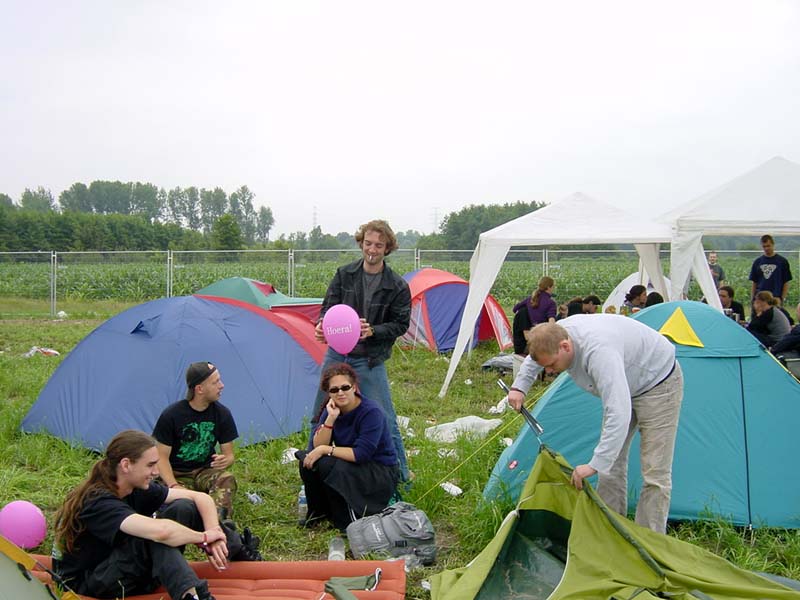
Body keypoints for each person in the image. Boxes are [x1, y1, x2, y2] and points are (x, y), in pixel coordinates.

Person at [507, 317, 684, 534]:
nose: (551, 371)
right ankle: (609, 529)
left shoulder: (599, 353)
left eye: (552, 365)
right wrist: (519, 387)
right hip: (627, 379)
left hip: (658, 384)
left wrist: (594, 465)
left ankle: (650, 540)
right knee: (611, 464)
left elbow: (618, 411)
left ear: (566, 346)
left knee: (655, 472)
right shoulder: (553, 335)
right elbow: (538, 355)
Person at [53, 430, 228, 600]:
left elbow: (200, 497)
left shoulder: (133, 486)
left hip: (120, 568)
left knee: (184, 507)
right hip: (89, 583)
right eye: (150, 465)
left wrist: (214, 533)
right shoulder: (97, 501)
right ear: (126, 465)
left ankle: (239, 548)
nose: (156, 472)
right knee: (152, 535)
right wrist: (203, 537)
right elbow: (162, 532)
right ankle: (194, 595)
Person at [312, 219, 411, 481]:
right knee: (320, 412)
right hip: (337, 355)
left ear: (387, 248)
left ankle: (399, 476)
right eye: (368, 243)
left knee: (385, 418)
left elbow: (401, 324)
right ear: (361, 243)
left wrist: (374, 331)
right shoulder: (344, 274)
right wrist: (321, 325)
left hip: (369, 359)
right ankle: (312, 470)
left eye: (379, 245)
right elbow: (327, 309)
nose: (372, 249)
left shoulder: (397, 285)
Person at [297, 363, 399, 532]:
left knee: (329, 464)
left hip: (379, 471)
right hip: (354, 465)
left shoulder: (371, 412)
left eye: (345, 387)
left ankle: (346, 520)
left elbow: (362, 454)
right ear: (329, 393)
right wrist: (330, 419)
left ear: (354, 387)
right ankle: (319, 513)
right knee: (308, 460)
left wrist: (325, 450)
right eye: (334, 390)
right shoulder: (332, 409)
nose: (340, 393)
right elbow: (319, 445)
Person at [153, 362, 239, 522]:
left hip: (204, 472)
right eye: (215, 382)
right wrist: (173, 485)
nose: (222, 385)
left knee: (227, 479)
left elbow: (229, 455)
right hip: (177, 474)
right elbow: (161, 458)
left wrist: (225, 460)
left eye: (220, 380)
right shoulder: (172, 415)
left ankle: (219, 523)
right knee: (178, 503)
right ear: (199, 389)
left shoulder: (222, 414)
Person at [512, 276, 557, 377]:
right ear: (549, 287)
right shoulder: (551, 303)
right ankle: (550, 372)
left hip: (529, 340)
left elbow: (515, 308)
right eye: (553, 287)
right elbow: (552, 321)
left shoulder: (530, 300)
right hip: (539, 340)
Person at [749, 234, 792, 306]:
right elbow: (754, 282)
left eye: (768, 246)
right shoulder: (757, 262)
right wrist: (753, 298)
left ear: (773, 244)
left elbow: (786, 282)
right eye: (764, 246)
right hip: (760, 297)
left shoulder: (782, 261)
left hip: (775, 297)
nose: (766, 248)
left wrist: (782, 298)